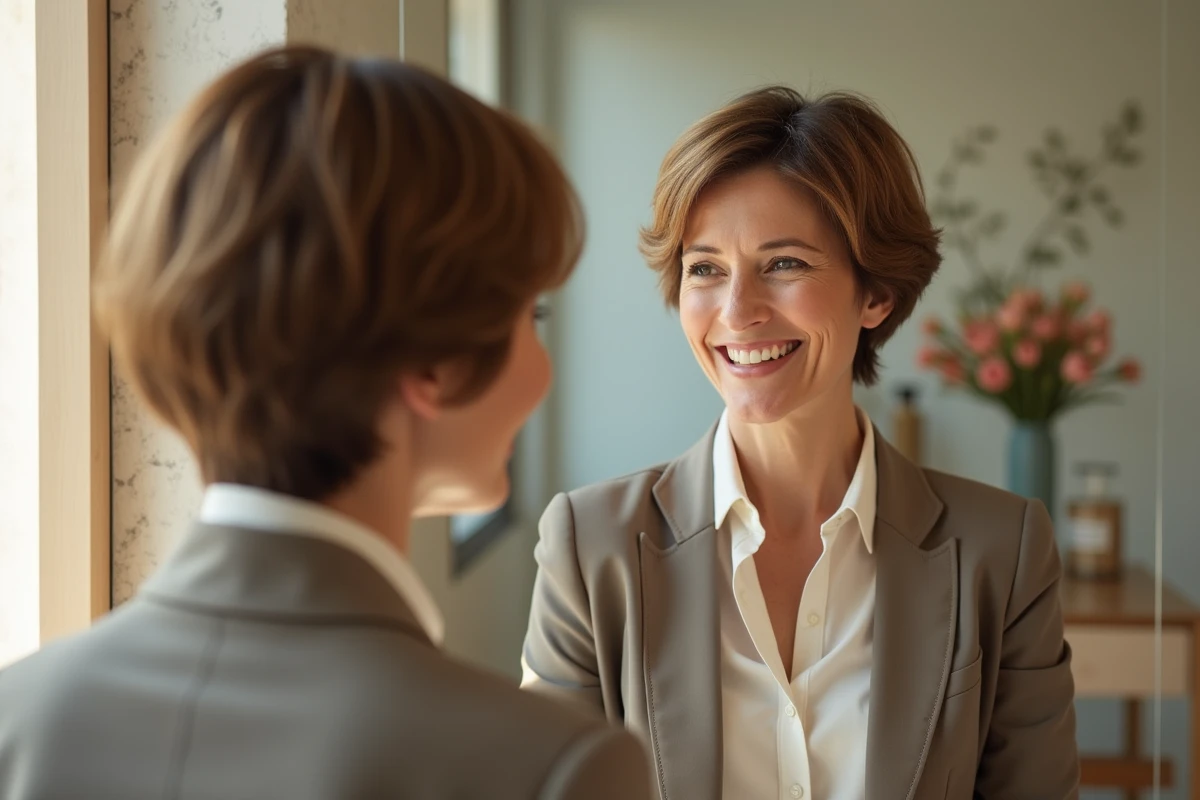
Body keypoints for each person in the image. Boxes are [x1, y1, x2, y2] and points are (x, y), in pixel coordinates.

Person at [0, 45, 651, 800]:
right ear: (434, 364)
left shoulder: (19, 718)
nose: (542, 367)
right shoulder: (551, 766)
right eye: (529, 316)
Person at [521, 87, 1079, 799]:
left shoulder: (1004, 551)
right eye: (705, 269)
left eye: (784, 264)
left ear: (875, 292)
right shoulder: (590, 545)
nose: (737, 312)